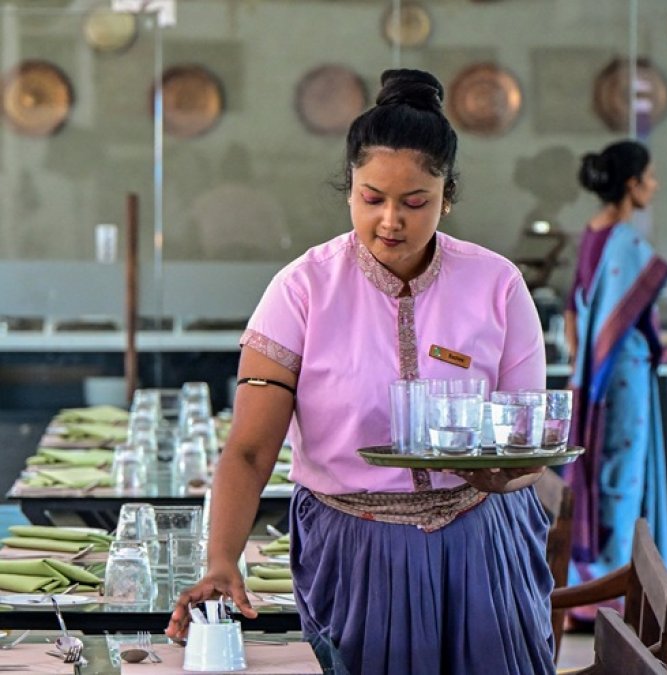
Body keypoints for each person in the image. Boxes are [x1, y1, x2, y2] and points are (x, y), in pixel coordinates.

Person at [166, 69, 555, 675]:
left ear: (447, 196)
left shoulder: (498, 286)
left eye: (415, 202)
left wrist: (507, 474)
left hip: (482, 538)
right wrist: (222, 561)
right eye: (371, 198)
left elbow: (525, 439)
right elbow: (248, 450)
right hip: (355, 545)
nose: (390, 222)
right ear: (349, 187)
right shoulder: (301, 290)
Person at [563, 140, 667, 620]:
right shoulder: (627, 242)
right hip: (622, 374)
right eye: (650, 176)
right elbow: (639, 319)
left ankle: (591, 581)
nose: (655, 184)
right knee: (622, 477)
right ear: (632, 183)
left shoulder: (591, 233)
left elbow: (574, 307)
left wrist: (581, 365)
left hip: (590, 376)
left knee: (598, 470)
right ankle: (614, 582)